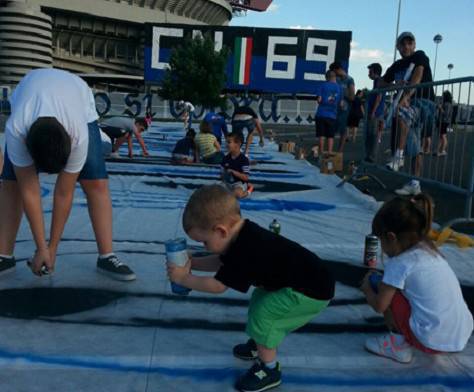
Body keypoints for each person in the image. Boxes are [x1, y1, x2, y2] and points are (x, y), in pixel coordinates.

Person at [167, 185, 335, 392]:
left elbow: (218, 286)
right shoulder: (241, 234)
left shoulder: (246, 248)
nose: (204, 247)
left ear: (221, 230)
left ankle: (269, 368)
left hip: (310, 290)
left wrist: (184, 279)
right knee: (260, 299)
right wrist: (194, 263)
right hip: (303, 280)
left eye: (204, 242)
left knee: (265, 316)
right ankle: (259, 343)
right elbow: (222, 261)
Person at [0, 68, 135, 280]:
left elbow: (64, 193)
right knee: (11, 184)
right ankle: (4, 255)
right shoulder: (17, 129)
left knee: (95, 182)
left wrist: (51, 248)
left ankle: (107, 255)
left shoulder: (78, 135)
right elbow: (30, 191)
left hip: (77, 95)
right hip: (30, 89)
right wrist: (40, 248)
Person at [360, 194, 473, 364]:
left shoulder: (399, 263)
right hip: (461, 336)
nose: (381, 247)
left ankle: (398, 346)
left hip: (432, 341)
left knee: (382, 287)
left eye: (381, 240)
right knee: (394, 285)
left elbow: (379, 305)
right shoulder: (430, 250)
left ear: (391, 237)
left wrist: (367, 287)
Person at [381, 32, 436, 196]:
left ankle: (398, 158)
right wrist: (393, 84)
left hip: (423, 103)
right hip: (408, 106)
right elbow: (381, 82)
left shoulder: (420, 56)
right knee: (414, 145)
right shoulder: (396, 65)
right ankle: (415, 183)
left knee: (402, 113)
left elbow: (418, 76)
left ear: (414, 45)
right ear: (398, 47)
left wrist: (406, 96)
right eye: (403, 44)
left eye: (409, 43)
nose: (406, 47)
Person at [329, 62, 355, 153]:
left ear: (337, 69)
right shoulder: (336, 80)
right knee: (331, 129)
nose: (334, 75)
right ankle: (329, 150)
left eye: (334, 72)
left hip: (344, 110)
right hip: (334, 109)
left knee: (343, 131)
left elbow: (352, 96)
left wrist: (342, 94)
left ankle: (339, 152)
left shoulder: (349, 80)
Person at [314, 70, 342, 155]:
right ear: (334, 77)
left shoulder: (322, 85)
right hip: (332, 115)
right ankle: (329, 153)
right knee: (330, 136)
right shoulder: (339, 88)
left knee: (321, 135)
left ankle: (321, 153)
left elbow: (319, 100)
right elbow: (341, 103)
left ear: (326, 77)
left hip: (321, 114)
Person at [221, 132, 253, 199]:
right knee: (215, 192)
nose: (226, 145)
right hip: (227, 183)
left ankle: (250, 189)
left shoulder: (244, 159)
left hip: (239, 183)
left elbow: (246, 177)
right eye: (226, 142)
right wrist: (224, 174)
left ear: (238, 144)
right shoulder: (225, 158)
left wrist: (233, 172)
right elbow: (222, 174)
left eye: (229, 142)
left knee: (237, 194)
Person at [365, 63, 386, 163]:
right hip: (377, 113)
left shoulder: (379, 81)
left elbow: (379, 96)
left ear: (375, 72)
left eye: (370, 72)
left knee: (373, 135)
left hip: (376, 114)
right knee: (373, 135)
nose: (368, 74)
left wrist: (373, 111)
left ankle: (371, 157)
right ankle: (370, 155)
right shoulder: (377, 82)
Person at [436, 90, 453, 156]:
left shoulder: (447, 104)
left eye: (443, 96)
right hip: (443, 121)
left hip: (444, 122)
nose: (442, 97)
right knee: (441, 136)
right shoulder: (447, 104)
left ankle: (442, 151)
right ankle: (439, 151)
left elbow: (445, 114)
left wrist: (440, 108)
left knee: (443, 136)